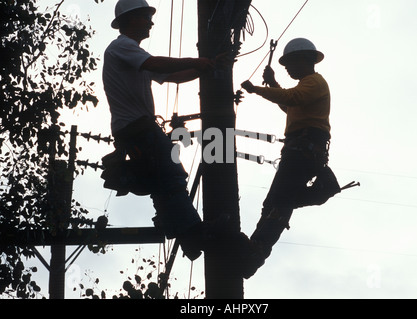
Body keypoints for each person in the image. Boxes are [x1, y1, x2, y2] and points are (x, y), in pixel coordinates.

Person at [102, 0, 225, 261]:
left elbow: (174, 75)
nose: (151, 22)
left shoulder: (134, 58)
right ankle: (194, 231)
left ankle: (187, 237)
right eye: (146, 17)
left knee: (162, 182)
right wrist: (199, 61)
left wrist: (206, 65)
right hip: (137, 129)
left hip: (135, 130)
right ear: (131, 19)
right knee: (171, 177)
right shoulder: (122, 47)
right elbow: (159, 65)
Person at [239, 38, 341, 278]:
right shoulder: (308, 86)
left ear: (304, 60)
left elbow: (291, 99)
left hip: (301, 152)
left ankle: (256, 251)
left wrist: (257, 89)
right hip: (302, 151)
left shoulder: (314, 82)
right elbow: (291, 105)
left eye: (290, 64)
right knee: (279, 202)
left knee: (277, 203)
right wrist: (273, 83)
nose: (287, 68)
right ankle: (255, 251)